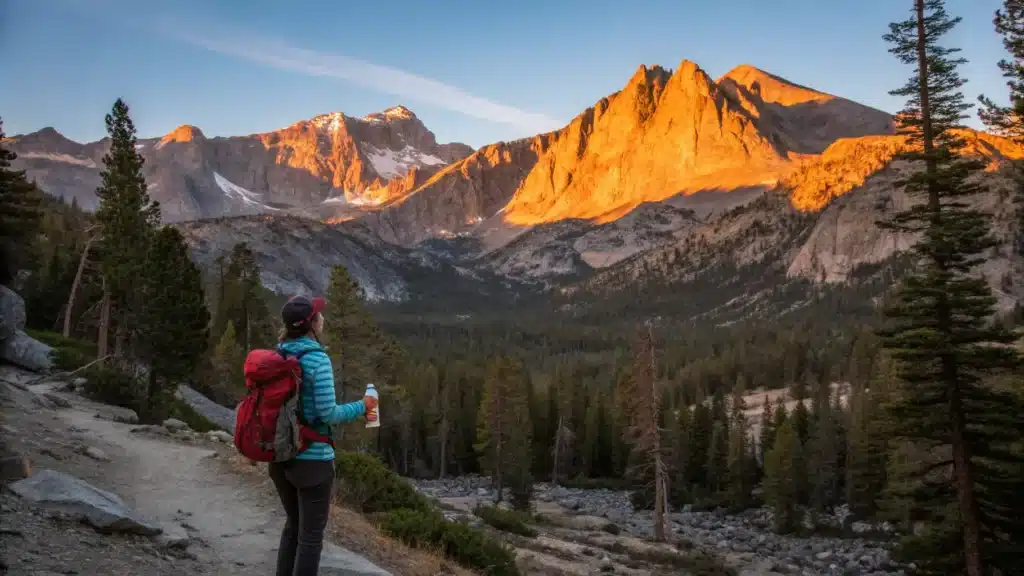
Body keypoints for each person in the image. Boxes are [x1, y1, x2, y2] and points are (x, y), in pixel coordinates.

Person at [271, 295, 378, 576]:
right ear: (312, 324)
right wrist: (363, 406)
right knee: (310, 538)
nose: (323, 318)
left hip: (280, 456)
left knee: (293, 527)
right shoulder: (318, 360)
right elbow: (328, 414)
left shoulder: (278, 354)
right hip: (313, 459)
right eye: (319, 315)